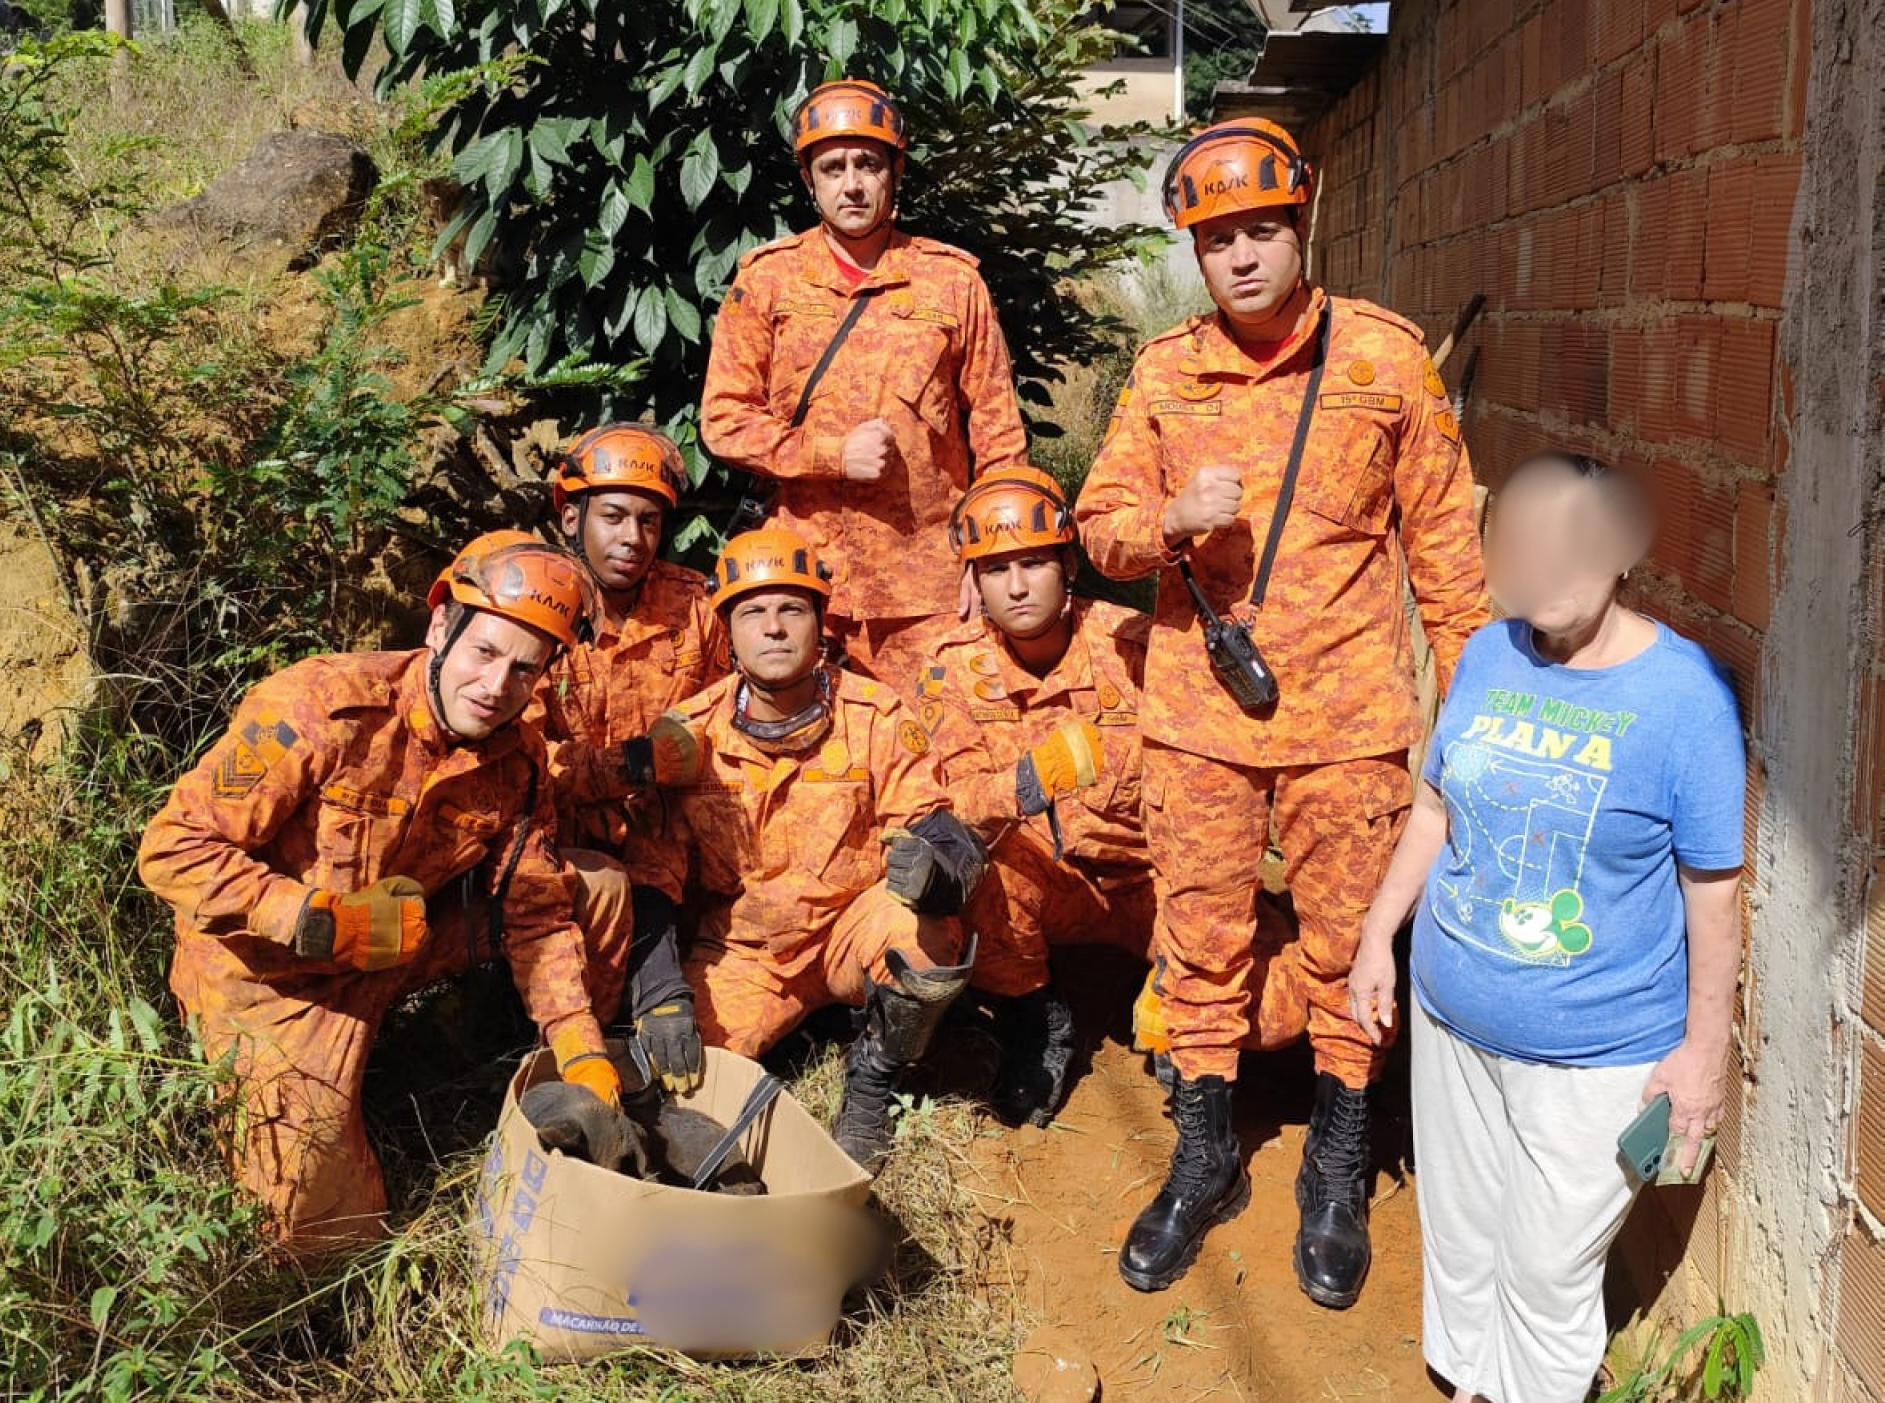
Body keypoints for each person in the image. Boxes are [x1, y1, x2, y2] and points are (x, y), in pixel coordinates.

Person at [1075, 117, 1492, 1304]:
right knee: (1199, 937)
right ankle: (1204, 1154)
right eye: (1219, 240)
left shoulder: (1385, 359)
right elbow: (1097, 527)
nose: (1244, 257)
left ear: (1301, 225)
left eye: (1263, 230)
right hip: (1201, 720)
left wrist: (1467, 724)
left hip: (1350, 722)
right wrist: (1168, 521)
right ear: (1196, 252)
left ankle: (1336, 1158)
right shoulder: (1166, 373)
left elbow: (1448, 560)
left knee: (1347, 944)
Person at [1346, 453, 1745, 1403]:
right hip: (1450, 1017)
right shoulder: (1489, 654)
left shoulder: (1684, 698)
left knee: (1547, 1263)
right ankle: (1471, 1380)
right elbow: (1435, 807)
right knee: (1461, 1230)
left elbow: (1714, 896)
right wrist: (1378, 933)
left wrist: (1703, 1053)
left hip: (1595, 1051)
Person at [138, 532, 628, 1257]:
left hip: (399, 945)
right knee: (325, 1237)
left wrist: (578, 1042)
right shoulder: (320, 707)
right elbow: (171, 849)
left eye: (525, 669)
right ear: (440, 626)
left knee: (596, 885)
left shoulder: (517, 761)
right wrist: (314, 920)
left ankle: (500, 1069)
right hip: (275, 982)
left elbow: (536, 914)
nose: (497, 686)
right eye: (484, 652)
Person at [620, 527, 986, 1167]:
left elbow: (937, 826)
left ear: (819, 623)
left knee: (925, 936)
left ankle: (872, 1086)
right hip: (747, 954)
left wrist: (938, 874)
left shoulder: (874, 713)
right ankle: (788, 1035)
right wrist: (660, 994)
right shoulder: (689, 736)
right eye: (752, 613)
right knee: (681, 1078)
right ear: (727, 633)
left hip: (850, 930)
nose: (774, 628)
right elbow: (653, 879)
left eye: (792, 608)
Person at [699, 78, 1028, 691]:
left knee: (938, 739)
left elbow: (999, 439)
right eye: (833, 168)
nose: (851, 184)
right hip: (801, 585)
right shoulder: (768, 282)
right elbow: (724, 420)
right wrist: (830, 455)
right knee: (809, 744)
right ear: (809, 179)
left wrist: (990, 557)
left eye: (867, 165)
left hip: (926, 590)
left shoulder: (952, 283)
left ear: (894, 173)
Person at [914, 467, 1153, 1127]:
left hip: (1152, 879)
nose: (1016, 586)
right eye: (995, 569)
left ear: (1068, 564)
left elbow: (1206, 789)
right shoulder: (952, 665)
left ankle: (1181, 1008)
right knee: (970, 864)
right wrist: (1025, 783)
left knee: (1273, 1009)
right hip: (1043, 881)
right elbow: (948, 799)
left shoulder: (1137, 645)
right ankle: (1036, 1018)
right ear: (974, 581)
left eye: (1033, 563)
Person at [527, 423, 727, 1093]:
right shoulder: (535, 606)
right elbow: (524, 761)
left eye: (648, 521)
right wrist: (631, 766)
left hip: (670, 850)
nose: (632, 538)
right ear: (571, 517)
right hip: (564, 850)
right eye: (613, 516)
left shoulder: (695, 606)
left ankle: (657, 992)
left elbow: (730, 720)